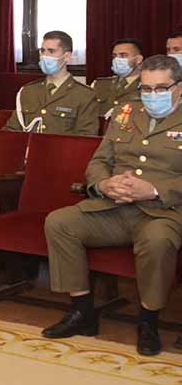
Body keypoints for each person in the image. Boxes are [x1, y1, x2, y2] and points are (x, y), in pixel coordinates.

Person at [42, 55, 182, 357]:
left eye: (161, 88)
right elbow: (98, 161)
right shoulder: (124, 112)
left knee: (157, 241)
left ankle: (148, 321)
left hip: (163, 213)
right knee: (59, 222)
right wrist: (104, 184)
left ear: (179, 88)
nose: (152, 95)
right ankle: (82, 311)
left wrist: (153, 189)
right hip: (114, 207)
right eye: (146, 88)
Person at [4, 31, 99, 136]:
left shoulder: (84, 95)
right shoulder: (28, 91)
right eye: (42, 51)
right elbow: (11, 131)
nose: (44, 56)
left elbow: (86, 138)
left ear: (67, 56)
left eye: (51, 51)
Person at [91, 39, 144, 120]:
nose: (117, 59)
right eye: (114, 56)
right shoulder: (99, 84)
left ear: (138, 59)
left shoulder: (149, 87)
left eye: (123, 55)